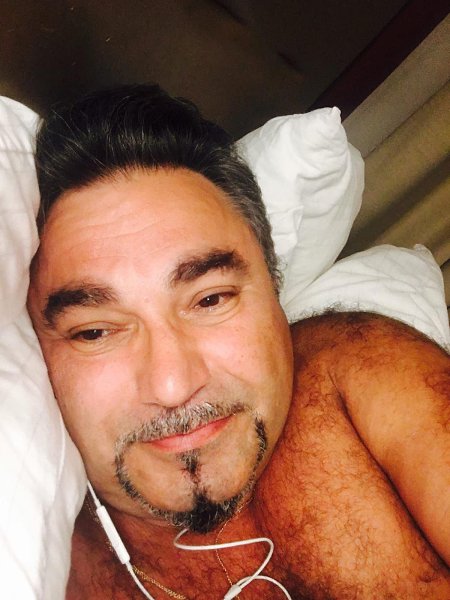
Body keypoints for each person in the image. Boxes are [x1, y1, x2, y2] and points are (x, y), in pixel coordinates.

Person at [27, 84, 449, 599]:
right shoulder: (37, 561)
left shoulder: (357, 374)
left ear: (274, 289)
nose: (173, 384)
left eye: (210, 300)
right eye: (95, 332)